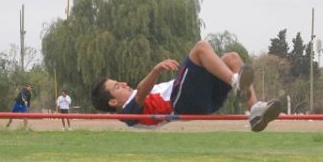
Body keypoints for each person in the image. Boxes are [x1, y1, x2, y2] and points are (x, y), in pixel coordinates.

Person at [90, 40, 281, 131]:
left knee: (232, 58)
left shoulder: (132, 101)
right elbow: (141, 92)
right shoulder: (127, 114)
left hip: (204, 102)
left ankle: (255, 111)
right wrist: (156, 70)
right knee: (200, 48)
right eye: (117, 87)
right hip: (180, 102)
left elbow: (141, 90)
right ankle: (236, 82)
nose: (123, 83)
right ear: (114, 102)